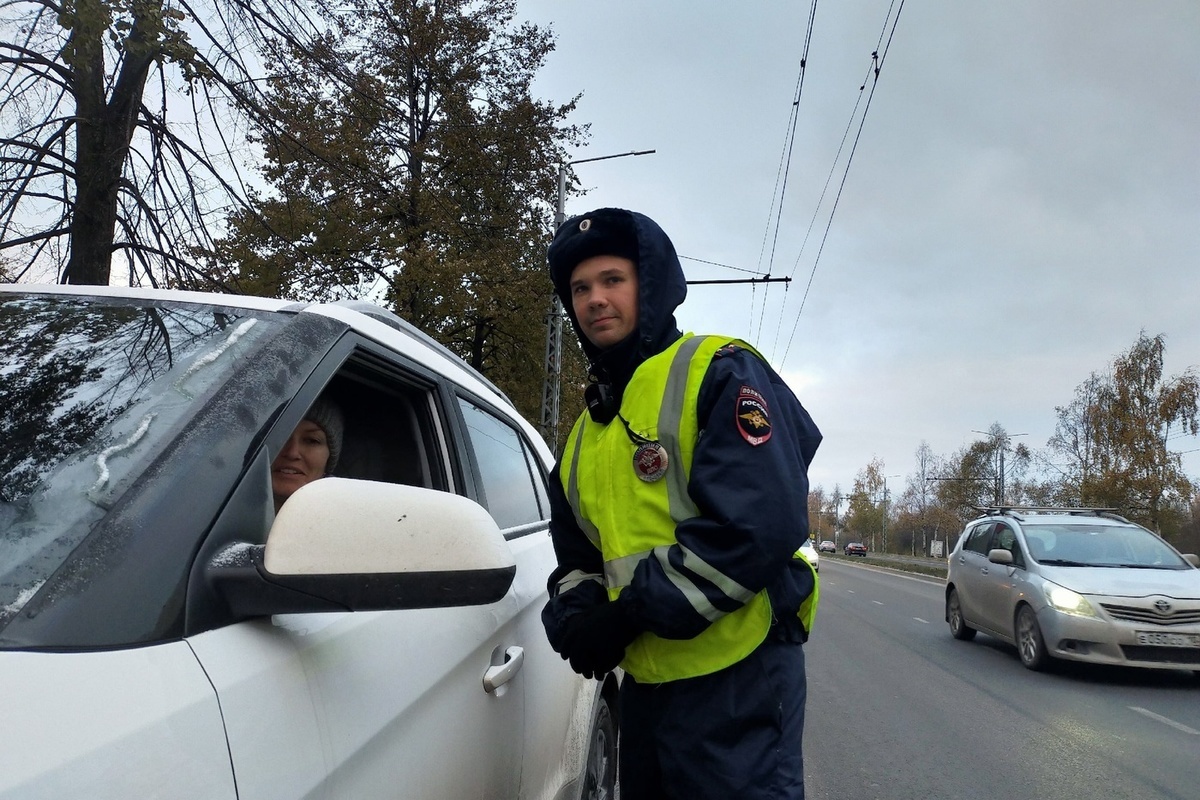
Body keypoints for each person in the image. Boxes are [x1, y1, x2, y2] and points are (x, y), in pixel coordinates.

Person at [540, 207, 822, 799]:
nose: (595, 299)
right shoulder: (584, 435)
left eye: (613, 280)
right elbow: (576, 558)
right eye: (580, 288)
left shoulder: (716, 371)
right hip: (648, 683)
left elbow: (756, 526)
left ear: (651, 283)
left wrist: (623, 617)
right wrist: (574, 619)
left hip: (737, 675)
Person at [271, 397, 343, 512]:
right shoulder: (232, 503)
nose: (292, 453)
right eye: (282, 437)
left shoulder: (347, 520)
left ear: (329, 458)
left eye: (311, 440)